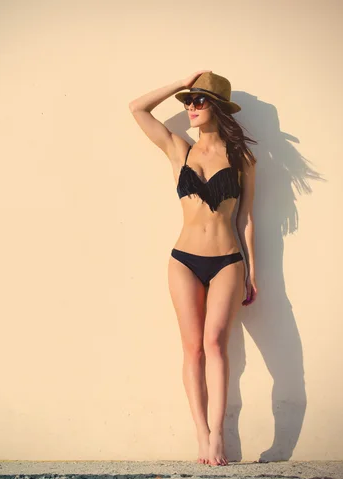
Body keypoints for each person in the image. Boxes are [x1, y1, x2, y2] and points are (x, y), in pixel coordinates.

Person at [128, 71, 258, 466]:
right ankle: (200, 434)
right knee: (192, 349)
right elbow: (137, 108)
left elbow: (246, 219)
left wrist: (252, 272)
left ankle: (218, 435)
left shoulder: (241, 159)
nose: (190, 108)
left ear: (217, 107)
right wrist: (180, 82)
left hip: (227, 262)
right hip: (183, 260)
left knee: (215, 344)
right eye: (188, 101)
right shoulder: (178, 149)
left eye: (199, 101)